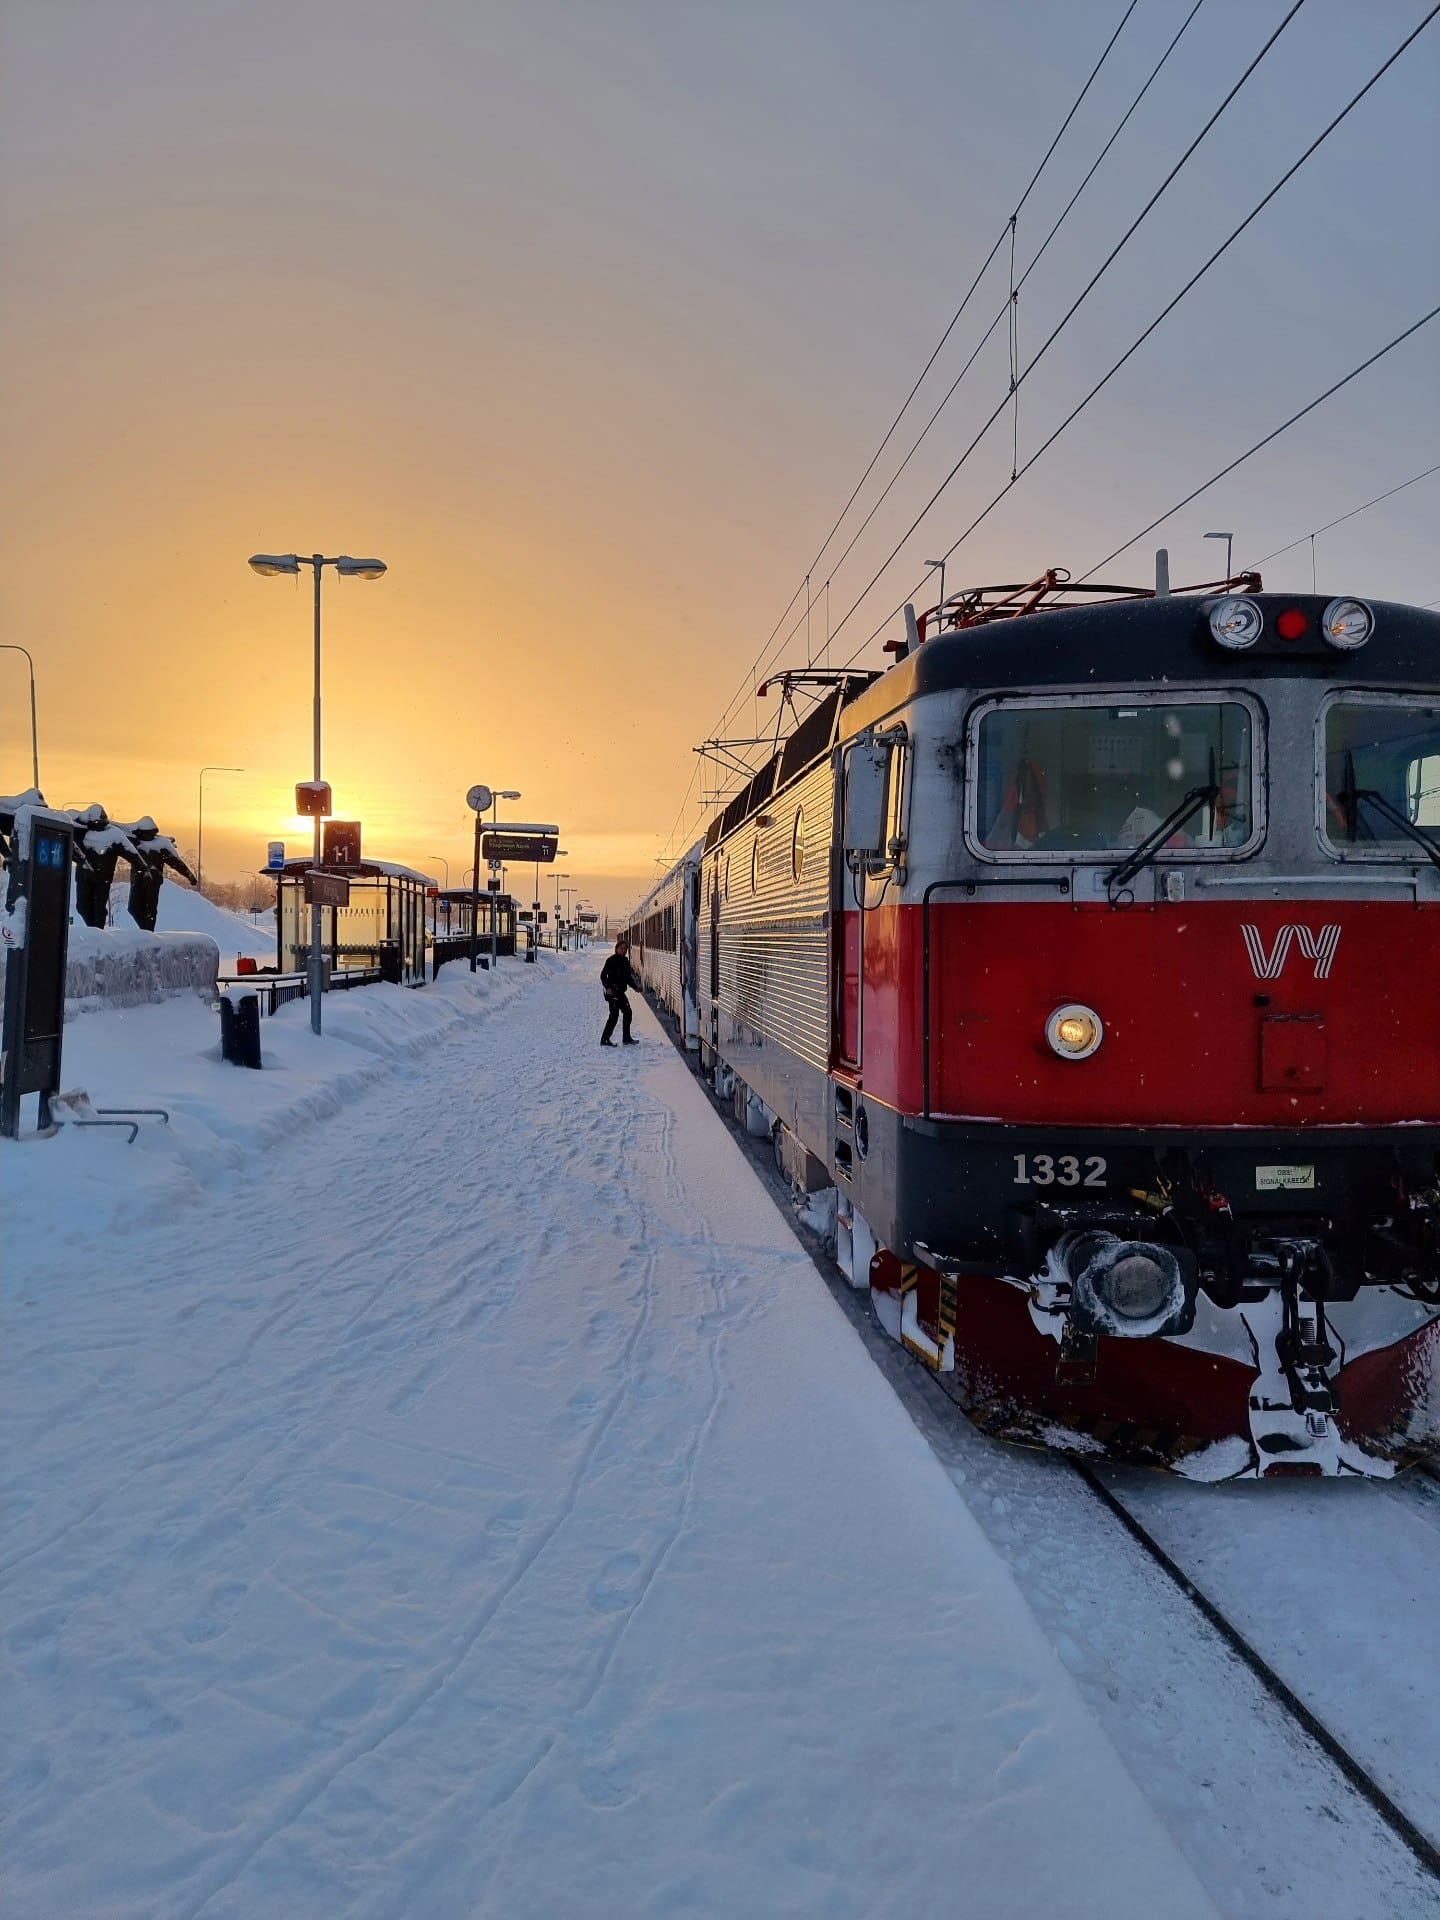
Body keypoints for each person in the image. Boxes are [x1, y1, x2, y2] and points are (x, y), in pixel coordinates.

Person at [600, 936, 642, 1047]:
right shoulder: (611, 960)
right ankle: (605, 1039)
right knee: (614, 1016)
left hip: (620, 992)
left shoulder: (625, 961)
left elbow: (628, 978)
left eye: (625, 949)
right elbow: (603, 976)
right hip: (612, 993)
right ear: (616, 949)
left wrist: (635, 987)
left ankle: (626, 1038)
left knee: (628, 1012)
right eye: (621, 948)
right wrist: (608, 988)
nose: (623, 950)